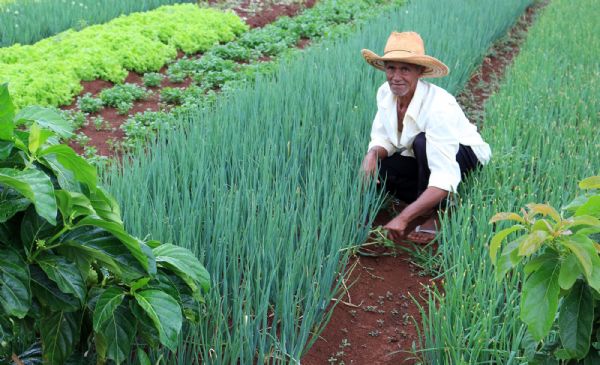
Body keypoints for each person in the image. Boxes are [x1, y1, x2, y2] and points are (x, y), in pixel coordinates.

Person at [360, 31, 491, 243]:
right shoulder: (385, 92)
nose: (396, 76)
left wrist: (403, 217)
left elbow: (444, 175)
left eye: (405, 69)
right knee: (382, 169)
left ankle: (439, 213)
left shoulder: (439, 107)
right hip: (424, 153)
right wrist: (372, 154)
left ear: (419, 71)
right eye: (391, 68)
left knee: (422, 142)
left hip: (464, 152)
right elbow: (383, 137)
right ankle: (425, 201)